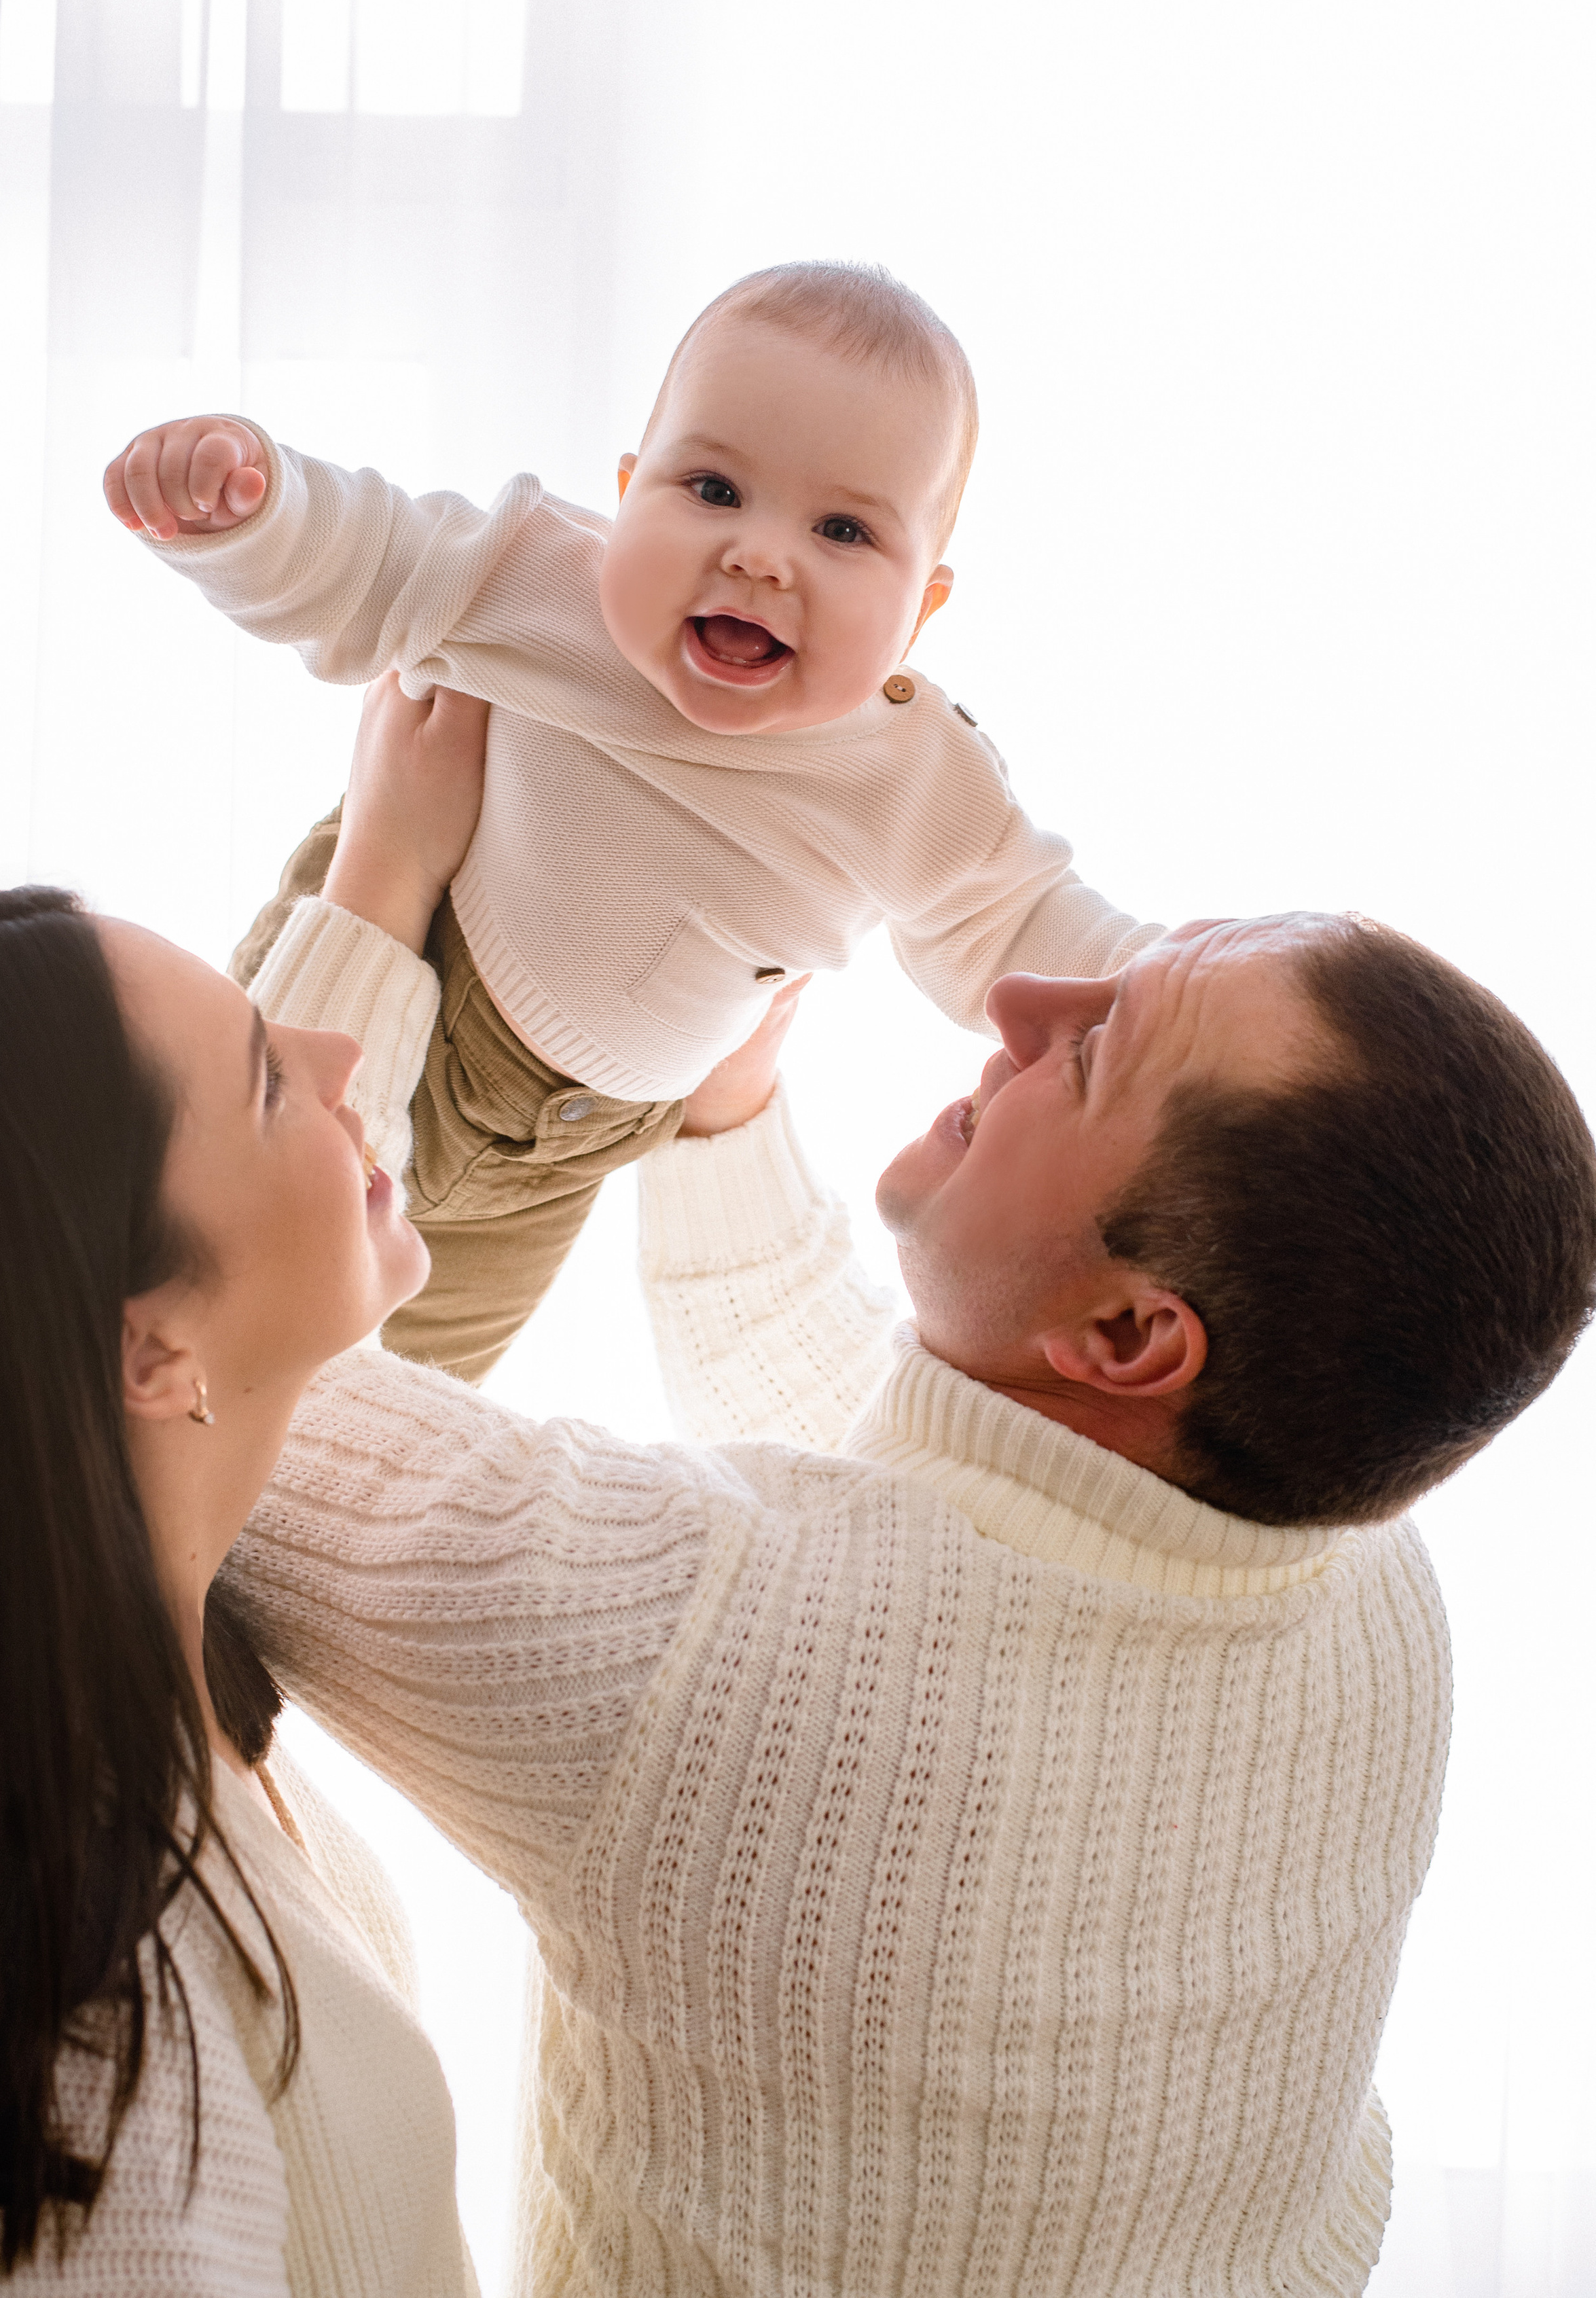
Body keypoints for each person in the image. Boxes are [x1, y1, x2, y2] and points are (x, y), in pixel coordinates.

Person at [216, 684, 1596, 2298]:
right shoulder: (1357, 1566)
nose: (1015, 995)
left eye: (1090, 1053)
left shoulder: (706, 1656)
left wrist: (375, 886)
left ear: (1133, 1334)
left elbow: (215, 1362)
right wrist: (722, 1106)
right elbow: (920, 1536)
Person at [102, 259, 1159, 1380]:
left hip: (577, 1148)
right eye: (712, 490)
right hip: (395, 972)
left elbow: (1026, 922)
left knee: (413, 1395)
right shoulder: (540, 583)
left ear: (922, 610)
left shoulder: (911, 779)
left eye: (844, 531)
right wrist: (250, 511)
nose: (760, 554)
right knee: (208, 1270)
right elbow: (366, 558)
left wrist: (1190, 971)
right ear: (626, 490)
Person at [0, 701, 505, 2293]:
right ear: (148, 1347)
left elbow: (275, 1201)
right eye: (272, 1080)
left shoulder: (143, 1680)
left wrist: (391, 865)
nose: (338, 1053)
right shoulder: (77, 1998)